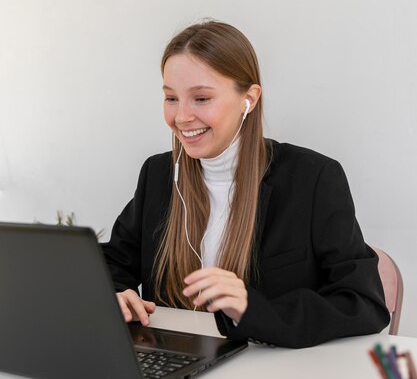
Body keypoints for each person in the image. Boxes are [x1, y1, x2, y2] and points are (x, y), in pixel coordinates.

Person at [102, 20, 390, 348]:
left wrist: (254, 310)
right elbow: (113, 261)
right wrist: (116, 293)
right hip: (176, 371)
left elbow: (364, 304)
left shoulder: (313, 179)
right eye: (171, 98)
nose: (180, 117)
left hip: (269, 373)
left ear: (248, 100)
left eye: (201, 98)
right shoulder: (159, 174)